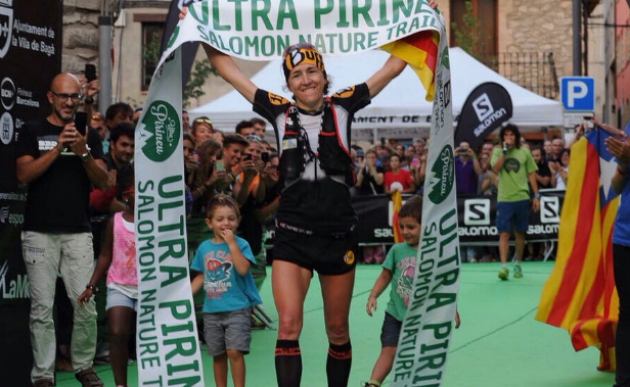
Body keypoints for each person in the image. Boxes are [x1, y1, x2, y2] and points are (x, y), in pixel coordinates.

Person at [180, 3, 438, 383]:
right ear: (288, 83)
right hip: (292, 236)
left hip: (337, 235)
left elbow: (393, 66)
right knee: (288, 326)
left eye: (312, 71)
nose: (306, 80)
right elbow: (227, 70)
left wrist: (421, 15)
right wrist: (198, 29)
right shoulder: (278, 110)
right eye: (297, 75)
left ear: (323, 74)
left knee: (337, 331)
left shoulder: (345, 104)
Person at [15, 72, 109, 387]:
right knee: (42, 308)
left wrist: (82, 150)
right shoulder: (32, 130)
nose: (69, 102)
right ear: (50, 97)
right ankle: (43, 374)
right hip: (39, 231)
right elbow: (23, 174)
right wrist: (57, 148)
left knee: (85, 304)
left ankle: (84, 365)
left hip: (78, 231)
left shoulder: (88, 134)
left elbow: (104, 181)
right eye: (63, 96)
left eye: (74, 96)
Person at [363, 196, 459, 387]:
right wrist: (373, 295)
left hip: (423, 318)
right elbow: (385, 275)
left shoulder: (435, 254)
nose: (405, 232)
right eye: (402, 226)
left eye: (411, 227)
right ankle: (373, 384)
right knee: (388, 350)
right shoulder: (397, 250)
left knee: (418, 355)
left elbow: (444, 284)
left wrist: (451, 308)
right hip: (395, 314)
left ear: (427, 226)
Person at [190, 194, 262, 387]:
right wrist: (186, 296)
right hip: (212, 311)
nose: (226, 223)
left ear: (238, 221)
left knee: (234, 351)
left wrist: (231, 245)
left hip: (237, 308)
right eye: (220, 219)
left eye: (231, 218)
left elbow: (242, 269)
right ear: (209, 222)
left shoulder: (241, 244)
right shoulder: (204, 248)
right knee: (218, 354)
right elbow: (200, 275)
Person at [76, 166, 136, 387]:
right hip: (119, 285)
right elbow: (104, 255)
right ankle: (121, 385)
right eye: (135, 189)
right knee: (117, 332)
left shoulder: (158, 221)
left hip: (150, 287)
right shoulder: (116, 221)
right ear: (125, 194)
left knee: (149, 337)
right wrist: (91, 285)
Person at [490, 124, 540, 280]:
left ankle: (518, 263)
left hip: (522, 197)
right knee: (503, 233)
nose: (509, 138)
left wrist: (536, 196)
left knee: (520, 233)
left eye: (512, 135)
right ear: (502, 137)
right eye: (506, 135)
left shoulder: (524, 152)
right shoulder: (498, 151)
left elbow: (531, 174)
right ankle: (504, 267)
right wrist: (504, 151)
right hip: (505, 198)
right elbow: (496, 169)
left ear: (516, 137)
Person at [605, 128, 630, 387]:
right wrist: (623, 165)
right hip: (624, 236)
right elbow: (615, 186)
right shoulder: (629, 129)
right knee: (627, 314)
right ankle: (623, 381)